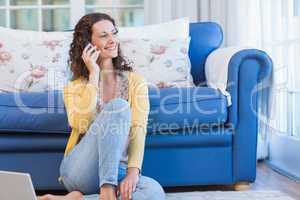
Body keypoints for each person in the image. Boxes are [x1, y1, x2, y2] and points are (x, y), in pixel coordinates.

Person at [38, 13, 165, 200]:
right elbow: (80, 124)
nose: (112, 40)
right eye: (104, 35)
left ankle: (74, 199)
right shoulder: (73, 87)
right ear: (88, 44)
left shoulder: (136, 82)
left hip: (117, 169)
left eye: (114, 33)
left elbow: (138, 129)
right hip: (80, 170)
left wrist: (132, 173)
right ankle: (106, 190)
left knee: (154, 192)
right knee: (119, 106)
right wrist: (93, 76)